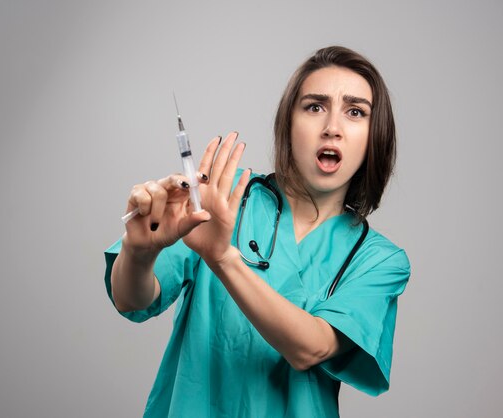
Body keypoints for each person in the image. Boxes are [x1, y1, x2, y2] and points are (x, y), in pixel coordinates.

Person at [104, 46, 410, 417]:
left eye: (355, 112)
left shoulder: (377, 260)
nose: (332, 127)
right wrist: (139, 252)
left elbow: (310, 348)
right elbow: (132, 299)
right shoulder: (224, 199)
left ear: (374, 136)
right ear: (288, 124)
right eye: (314, 107)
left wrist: (223, 259)